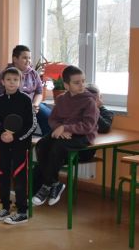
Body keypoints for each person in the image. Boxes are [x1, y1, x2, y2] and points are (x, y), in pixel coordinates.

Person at [32, 65, 99, 207]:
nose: (81, 85)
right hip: (63, 133)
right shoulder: (61, 99)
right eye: (77, 82)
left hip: (83, 137)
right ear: (66, 85)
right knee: (42, 144)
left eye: (83, 81)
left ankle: (47, 185)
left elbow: (88, 126)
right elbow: (53, 119)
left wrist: (65, 127)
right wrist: (60, 128)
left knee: (57, 147)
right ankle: (54, 183)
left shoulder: (89, 101)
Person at [0, 67, 37, 225]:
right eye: (8, 79)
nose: (12, 82)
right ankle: (5, 207)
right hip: (3, 145)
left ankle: (22, 211)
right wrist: (1, 134)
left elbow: (31, 125)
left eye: (15, 80)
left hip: (21, 144)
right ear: (3, 82)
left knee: (19, 175)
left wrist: (15, 136)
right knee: (3, 174)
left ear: (20, 82)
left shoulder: (26, 100)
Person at [0, 45, 51, 136]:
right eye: (24, 58)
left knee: (49, 116)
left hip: (32, 105)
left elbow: (39, 92)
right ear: (15, 59)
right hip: (13, 108)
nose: (28, 61)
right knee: (24, 125)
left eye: (29, 58)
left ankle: (47, 143)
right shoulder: (5, 75)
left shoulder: (33, 73)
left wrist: (35, 104)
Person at [78, 83, 114, 162]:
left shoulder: (106, 113)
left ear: (100, 98)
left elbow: (105, 128)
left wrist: (93, 110)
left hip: (86, 151)